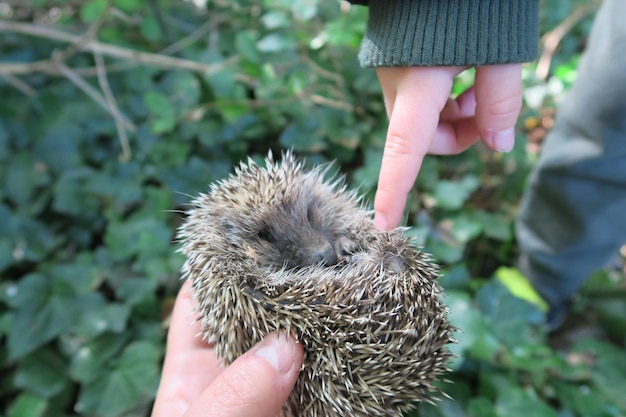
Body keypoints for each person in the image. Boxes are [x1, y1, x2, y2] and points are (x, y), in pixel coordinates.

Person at [158, 0, 626, 414]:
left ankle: (543, 288)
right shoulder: (241, 286)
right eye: (270, 236)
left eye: (309, 215)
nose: (317, 244)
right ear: (234, 249)